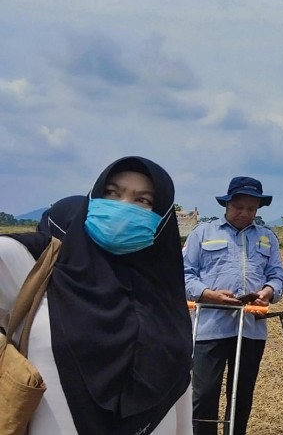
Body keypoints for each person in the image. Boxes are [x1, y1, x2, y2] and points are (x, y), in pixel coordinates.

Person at [0, 156, 193, 434]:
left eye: (143, 201)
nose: (122, 207)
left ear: (162, 218)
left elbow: (179, 388)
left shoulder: (165, 294)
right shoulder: (39, 267)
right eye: (111, 193)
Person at [184, 176, 283, 435]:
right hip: (210, 327)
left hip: (250, 328)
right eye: (239, 207)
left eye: (251, 209)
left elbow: (278, 275)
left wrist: (268, 291)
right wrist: (208, 294)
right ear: (227, 205)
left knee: (241, 395)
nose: (245, 213)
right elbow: (184, 274)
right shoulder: (203, 233)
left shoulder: (267, 237)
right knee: (204, 393)